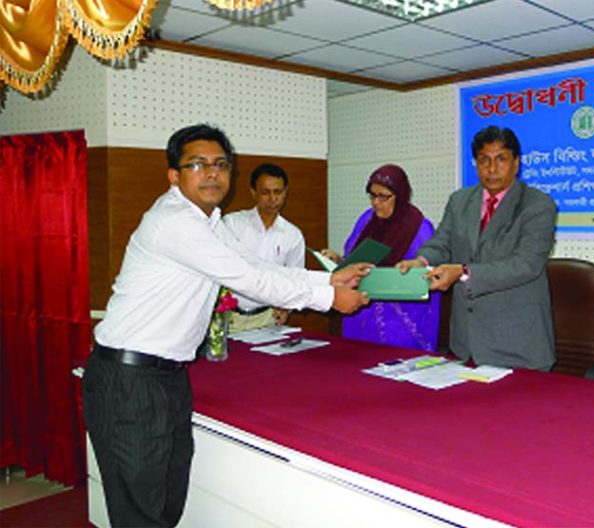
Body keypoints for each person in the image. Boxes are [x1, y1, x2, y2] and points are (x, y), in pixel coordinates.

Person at [83, 124, 369, 527]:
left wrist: (329, 279)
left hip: (167, 377)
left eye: (220, 164)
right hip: (130, 380)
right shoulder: (174, 222)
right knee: (139, 513)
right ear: (174, 175)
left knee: (166, 502)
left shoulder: (209, 222)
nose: (212, 173)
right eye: (197, 165)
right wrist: (329, 300)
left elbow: (258, 265)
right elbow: (247, 280)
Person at [397, 126, 557, 370]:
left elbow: (526, 265)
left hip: (517, 345)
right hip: (466, 343)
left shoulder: (538, 205)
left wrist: (462, 272)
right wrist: (421, 261)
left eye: (501, 159)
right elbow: (442, 242)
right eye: (484, 160)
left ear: (516, 163)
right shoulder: (460, 201)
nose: (492, 169)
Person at [322, 165, 440, 351]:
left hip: (401, 322)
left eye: (383, 197)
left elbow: (426, 277)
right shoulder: (366, 220)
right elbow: (352, 259)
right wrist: (338, 261)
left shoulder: (420, 228)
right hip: (362, 313)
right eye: (372, 196)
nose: (376, 202)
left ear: (399, 196)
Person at [224, 163, 305, 332]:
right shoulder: (231, 224)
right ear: (254, 192)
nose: (272, 199)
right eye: (265, 192)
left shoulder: (293, 235)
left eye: (278, 192)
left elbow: (295, 279)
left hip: (268, 318)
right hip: (228, 317)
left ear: (285, 193)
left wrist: (286, 308)